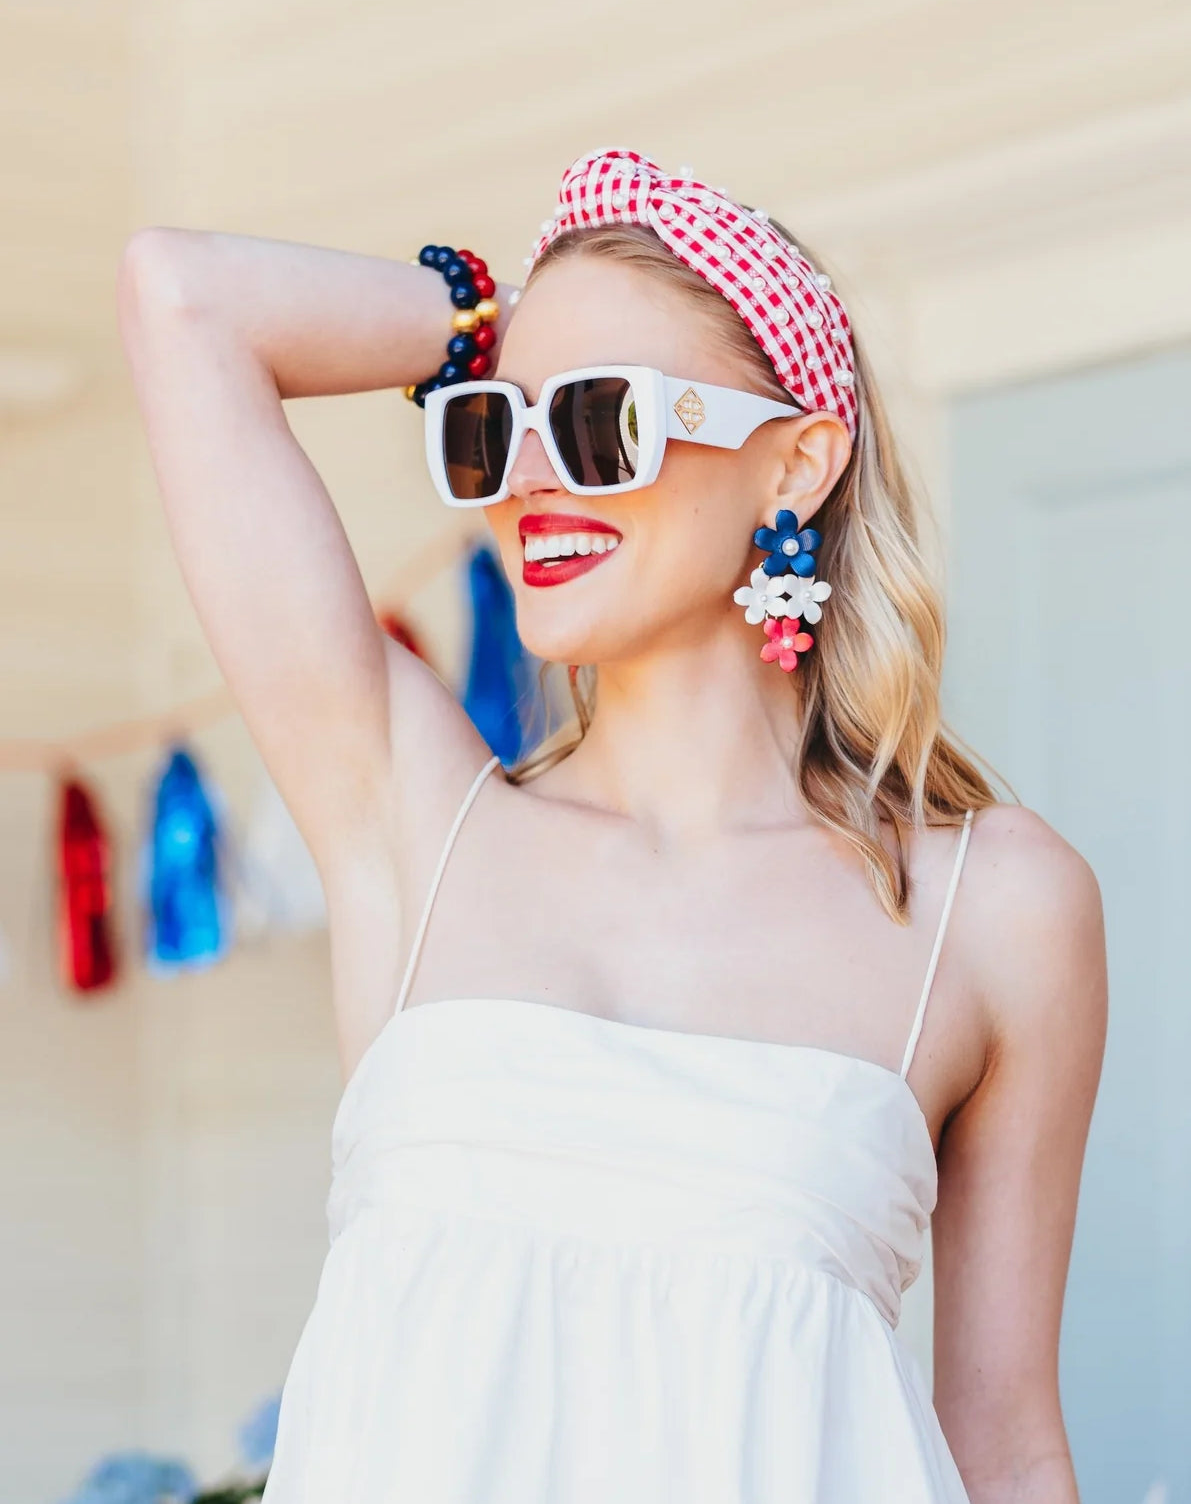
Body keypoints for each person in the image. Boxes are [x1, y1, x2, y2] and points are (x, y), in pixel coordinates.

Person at [117, 146, 1108, 1503]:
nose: (532, 477)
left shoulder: (995, 909)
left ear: (796, 465)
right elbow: (180, 299)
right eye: (494, 427)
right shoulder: (411, 815)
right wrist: (511, 320)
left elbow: (1004, 1437)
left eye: (599, 421)